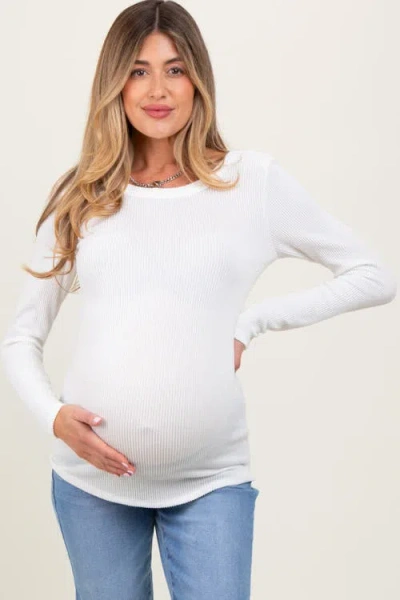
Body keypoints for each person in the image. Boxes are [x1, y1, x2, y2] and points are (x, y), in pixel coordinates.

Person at [1, 1, 396, 598]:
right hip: (91, 486)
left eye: (175, 69)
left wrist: (253, 322)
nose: (157, 90)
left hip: (212, 479)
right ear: (114, 84)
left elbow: (373, 275)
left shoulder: (250, 183)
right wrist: (53, 417)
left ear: (199, 81)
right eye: (138, 71)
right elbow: (21, 337)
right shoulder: (83, 195)